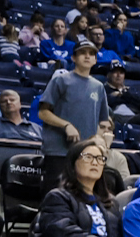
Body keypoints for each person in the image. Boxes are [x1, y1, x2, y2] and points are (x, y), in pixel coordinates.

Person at [38, 40, 110, 192]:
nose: (87, 56)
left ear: (96, 60)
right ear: (73, 58)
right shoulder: (61, 80)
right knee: (56, 194)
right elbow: (43, 112)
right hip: (59, 150)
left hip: (85, 153)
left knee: (81, 196)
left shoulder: (98, 87)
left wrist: (98, 140)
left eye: (91, 54)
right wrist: (66, 125)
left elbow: (102, 121)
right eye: (82, 53)